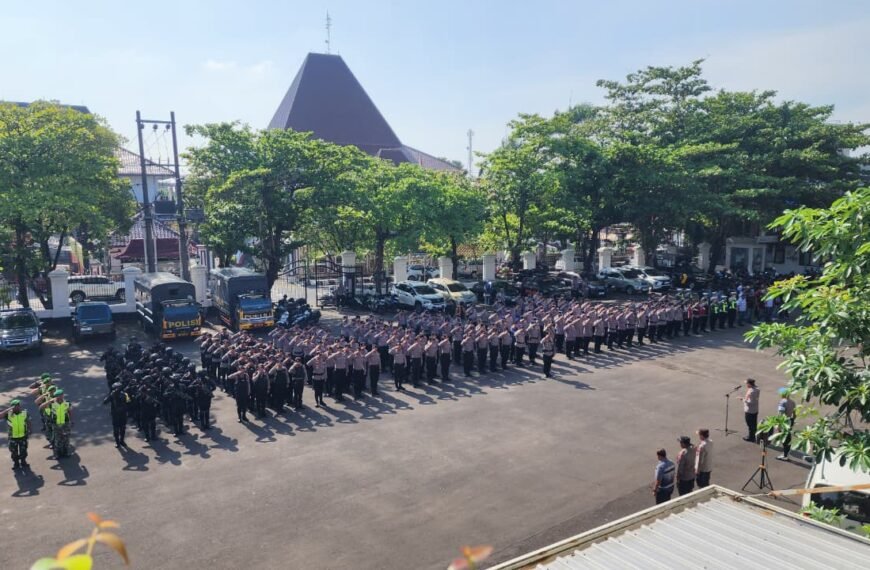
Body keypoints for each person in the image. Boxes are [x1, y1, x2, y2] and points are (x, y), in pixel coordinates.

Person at [1, 399, 32, 469]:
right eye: (16, 406)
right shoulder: (8, 415)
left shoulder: (24, 413)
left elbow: (28, 421)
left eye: (18, 405)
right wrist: (8, 409)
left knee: (23, 451)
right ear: (12, 407)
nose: (18, 407)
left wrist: (30, 429)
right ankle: (16, 463)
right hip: (13, 437)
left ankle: (23, 462)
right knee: (14, 452)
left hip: (23, 436)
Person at [776, 388, 797, 461]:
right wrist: (792, 421)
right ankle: (787, 452)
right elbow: (795, 414)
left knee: (784, 438)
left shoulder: (782, 402)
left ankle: (785, 455)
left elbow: (780, 414)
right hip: (790, 420)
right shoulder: (793, 402)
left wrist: (778, 425)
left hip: (784, 422)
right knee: (788, 437)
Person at [741, 378, 760, 443]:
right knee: (754, 424)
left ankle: (751, 437)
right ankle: (754, 436)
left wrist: (743, 400)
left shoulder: (752, 391)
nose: (746, 384)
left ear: (749, 384)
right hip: (755, 410)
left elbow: (751, 402)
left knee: (750, 424)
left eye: (747, 383)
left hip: (750, 411)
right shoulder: (756, 389)